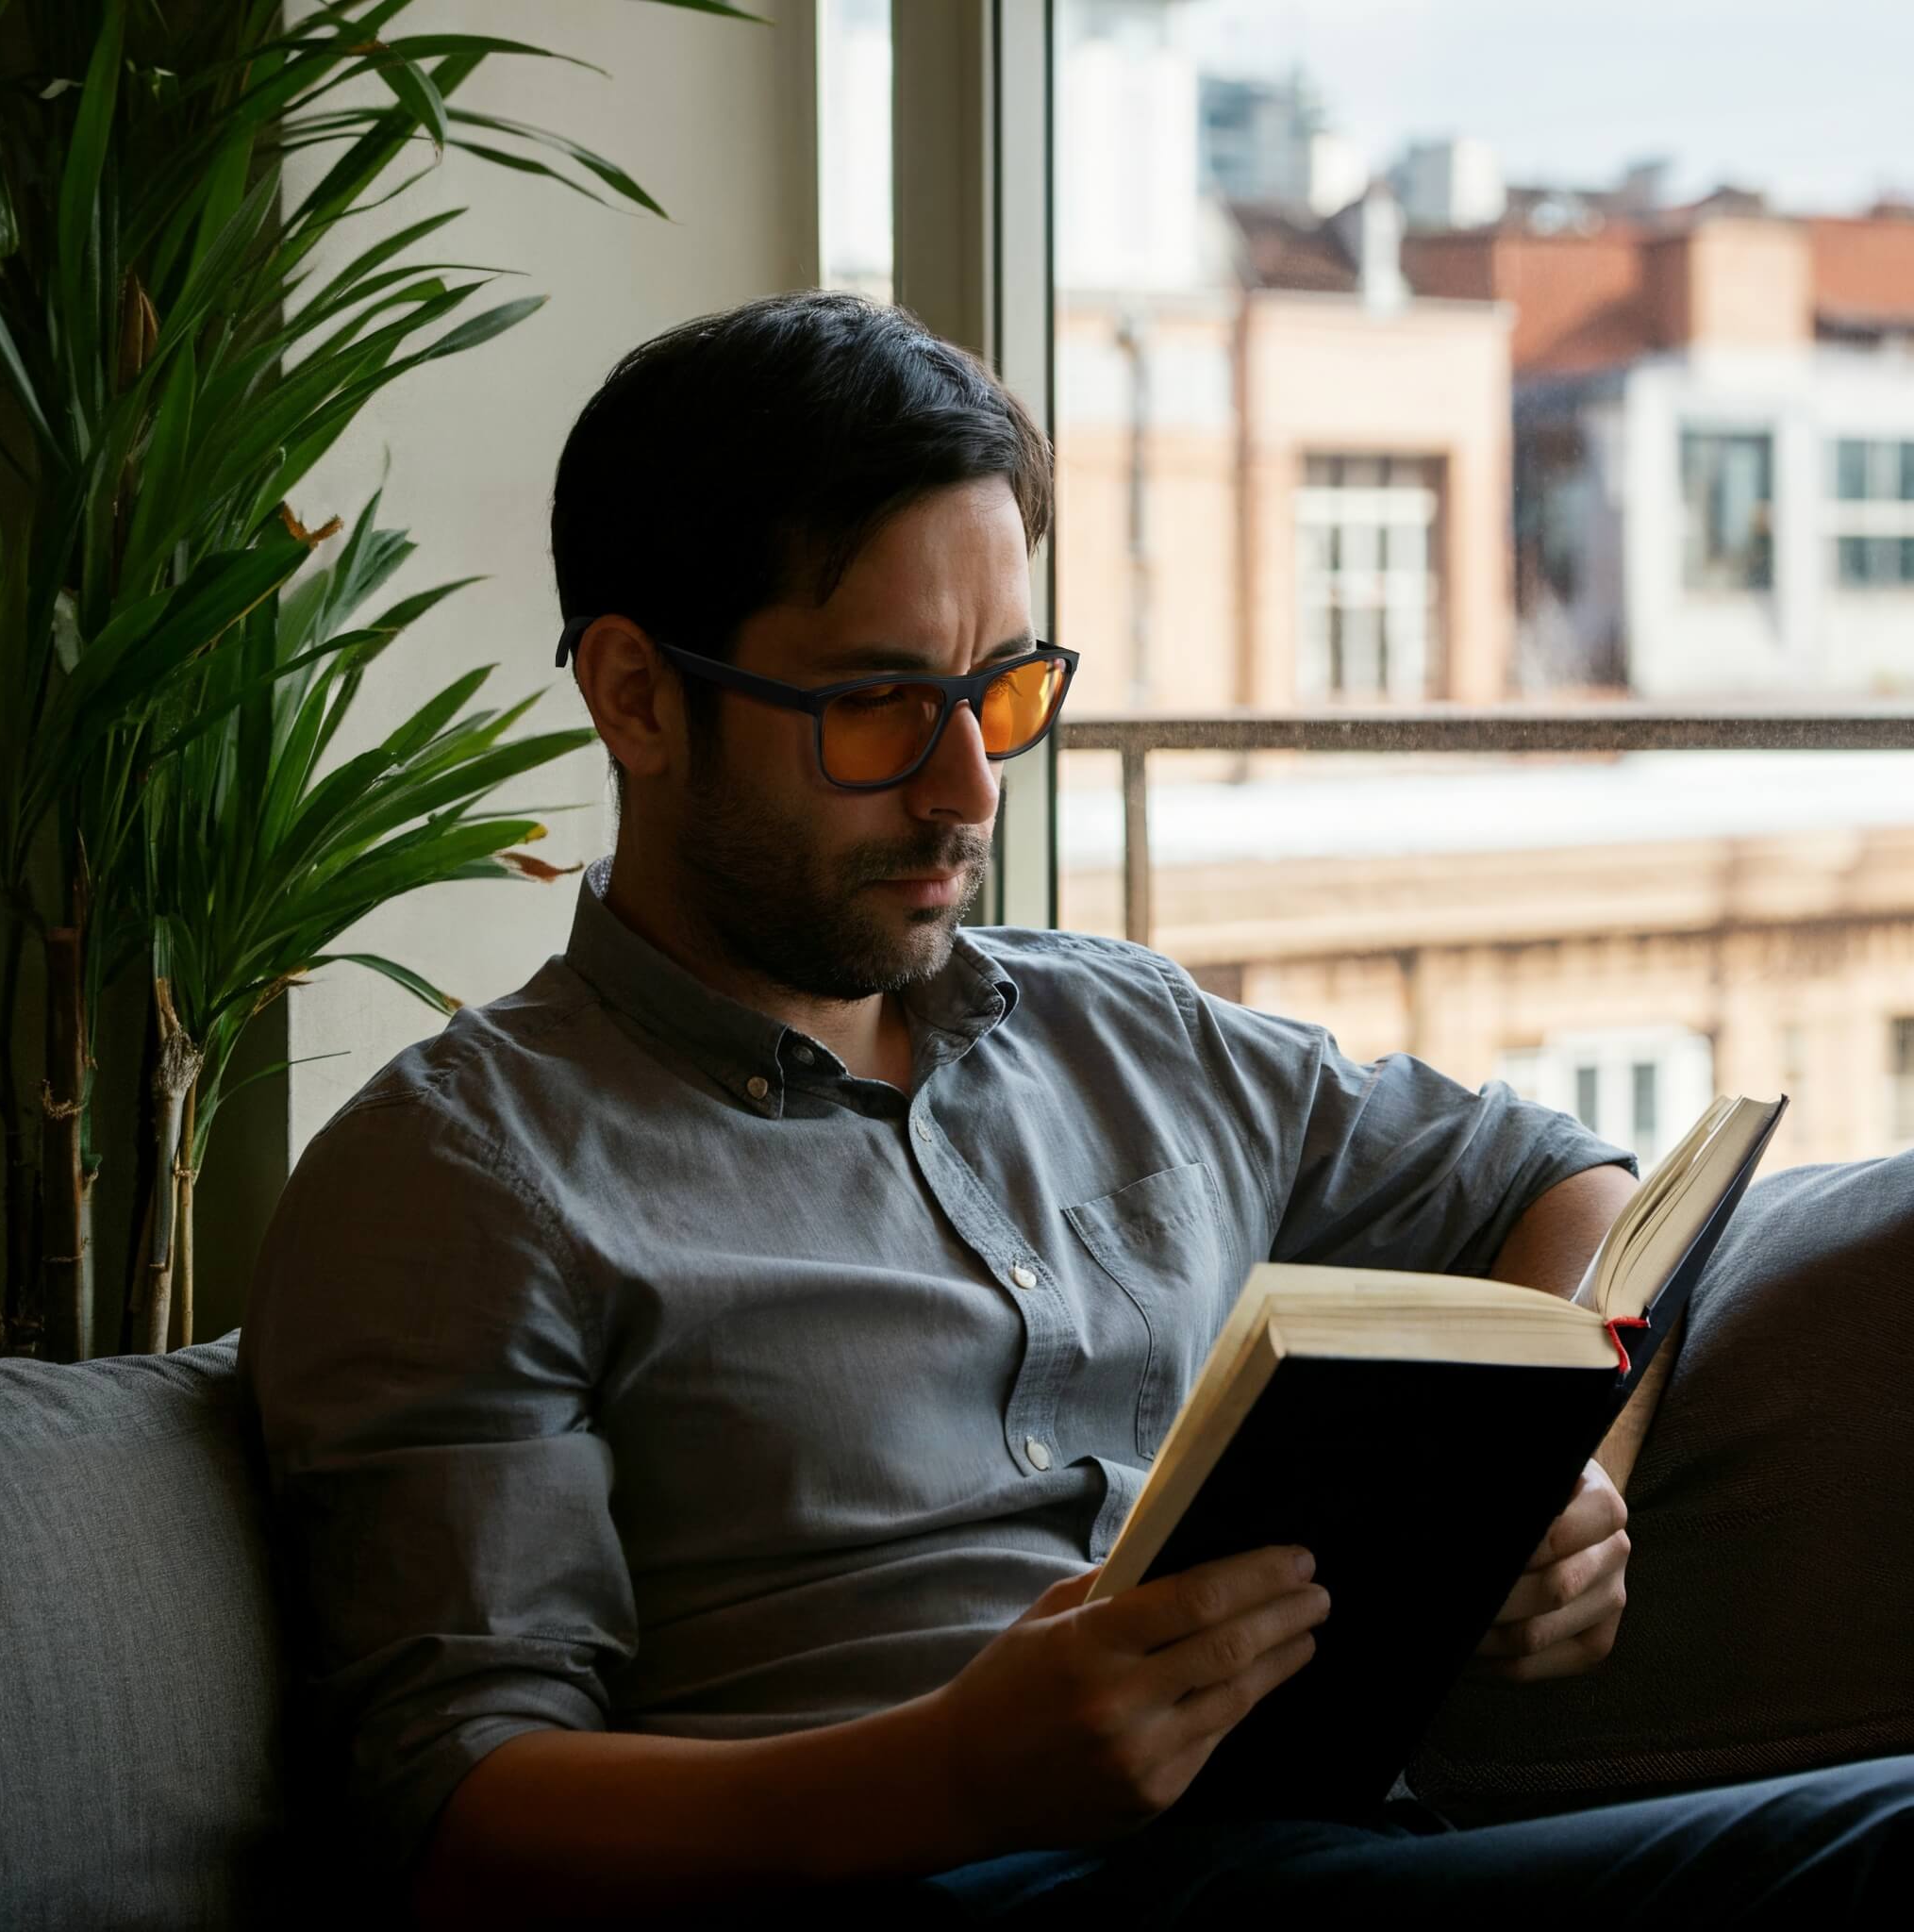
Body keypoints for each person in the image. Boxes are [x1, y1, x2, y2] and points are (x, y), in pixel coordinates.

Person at [241, 290, 1912, 1927]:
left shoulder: (1121, 1029)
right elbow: (453, 1816)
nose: (967, 783)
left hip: (1329, 1848)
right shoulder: (462, 1178)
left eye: (1003, 690)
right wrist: (954, 1771)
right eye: (879, 703)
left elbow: (1558, 1180)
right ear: (637, 696)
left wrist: (1562, 1481)